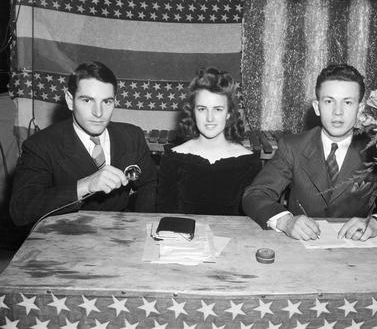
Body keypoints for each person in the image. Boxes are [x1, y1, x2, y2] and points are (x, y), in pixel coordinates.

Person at [243, 64, 377, 241]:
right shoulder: (292, 146)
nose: (337, 112)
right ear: (317, 107)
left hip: (357, 252)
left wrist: (376, 223)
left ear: (360, 109)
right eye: (329, 101)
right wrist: (286, 221)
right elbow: (255, 194)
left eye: (347, 102)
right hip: (300, 249)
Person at [10, 61, 157, 226]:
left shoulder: (132, 136)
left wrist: (140, 225)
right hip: (65, 240)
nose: (98, 113)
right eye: (87, 100)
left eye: (107, 102)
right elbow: (21, 210)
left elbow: (150, 184)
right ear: (70, 100)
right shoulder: (40, 145)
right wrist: (85, 185)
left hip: (120, 237)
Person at [156, 67, 262, 215]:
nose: (210, 118)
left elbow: (251, 222)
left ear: (229, 113)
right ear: (192, 112)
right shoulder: (173, 158)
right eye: (202, 109)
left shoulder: (249, 162)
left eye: (218, 109)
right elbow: (166, 216)